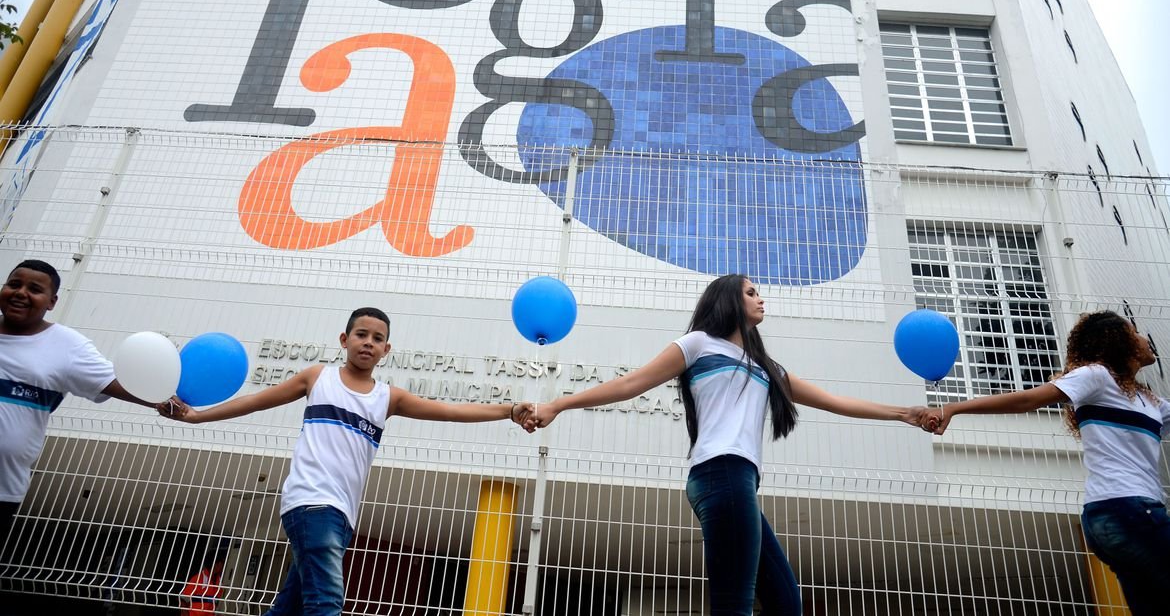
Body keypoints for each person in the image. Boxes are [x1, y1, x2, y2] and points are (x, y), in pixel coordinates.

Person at [526, 274, 930, 615]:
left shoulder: (767, 368)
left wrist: (904, 413)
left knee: (787, 602)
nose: (761, 298)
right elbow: (631, 383)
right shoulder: (698, 344)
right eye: (751, 292)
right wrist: (560, 403)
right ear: (728, 301)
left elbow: (836, 401)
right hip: (721, 474)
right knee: (733, 605)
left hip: (738, 483)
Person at [161, 306, 535, 616]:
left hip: (342, 516)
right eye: (361, 335)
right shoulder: (317, 378)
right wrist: (196, 417)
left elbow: (451, 410)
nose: (368, 343)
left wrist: (508, 411)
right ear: (344, 340)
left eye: (377, 338)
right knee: (326, 604)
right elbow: (257, 400)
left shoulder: (388, 398)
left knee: (289, 608)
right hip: (310, 503)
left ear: (387, 349)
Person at [924, 310, 1168, 616]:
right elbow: (1029, 399)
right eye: (1135, 333)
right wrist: (954, 408)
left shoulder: (1150, 402)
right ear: (1121, 343)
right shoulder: (1097, 377)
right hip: (1127, 510)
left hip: (1117, 517)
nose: (1145, 339)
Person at [0, 260, 165, 542]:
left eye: (34, 289)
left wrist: (165, 400)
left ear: (52, 302)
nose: (20, 293)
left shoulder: (67, 345)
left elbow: (116, 383)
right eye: (14, 284)